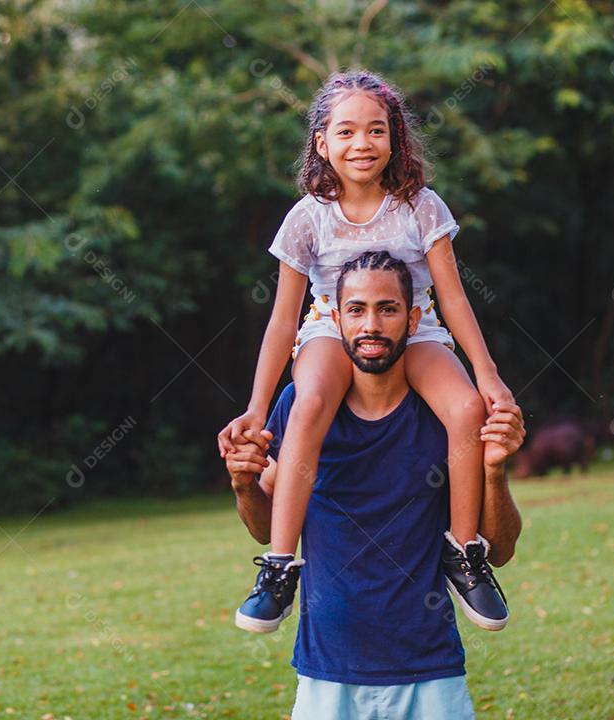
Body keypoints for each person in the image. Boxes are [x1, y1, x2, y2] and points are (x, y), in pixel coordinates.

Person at [217, 69, 514, 633]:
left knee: (468, 411)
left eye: (376, 131)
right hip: (333, 327)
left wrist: (488, 374)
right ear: (322, 143)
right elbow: (283, 321)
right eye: (346, 132)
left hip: (415, 328)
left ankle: (464, 552)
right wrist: (257, 409)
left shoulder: (420, 206)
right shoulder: (308, 216)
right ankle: (280, 567)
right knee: (306, 406)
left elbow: (451, 297)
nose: (362, 144)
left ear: (395, 139)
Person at [224, 251, 525, 719]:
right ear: (334, 317)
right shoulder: (301, 406)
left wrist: (494, 470)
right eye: (357, 310)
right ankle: (279, 575)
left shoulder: (446, 412)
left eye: (387, 309)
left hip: (430, 671)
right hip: (326, 672)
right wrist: (243, 483)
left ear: (413, 318)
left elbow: (500, 549)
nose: (371, 326)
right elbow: (264, 525)